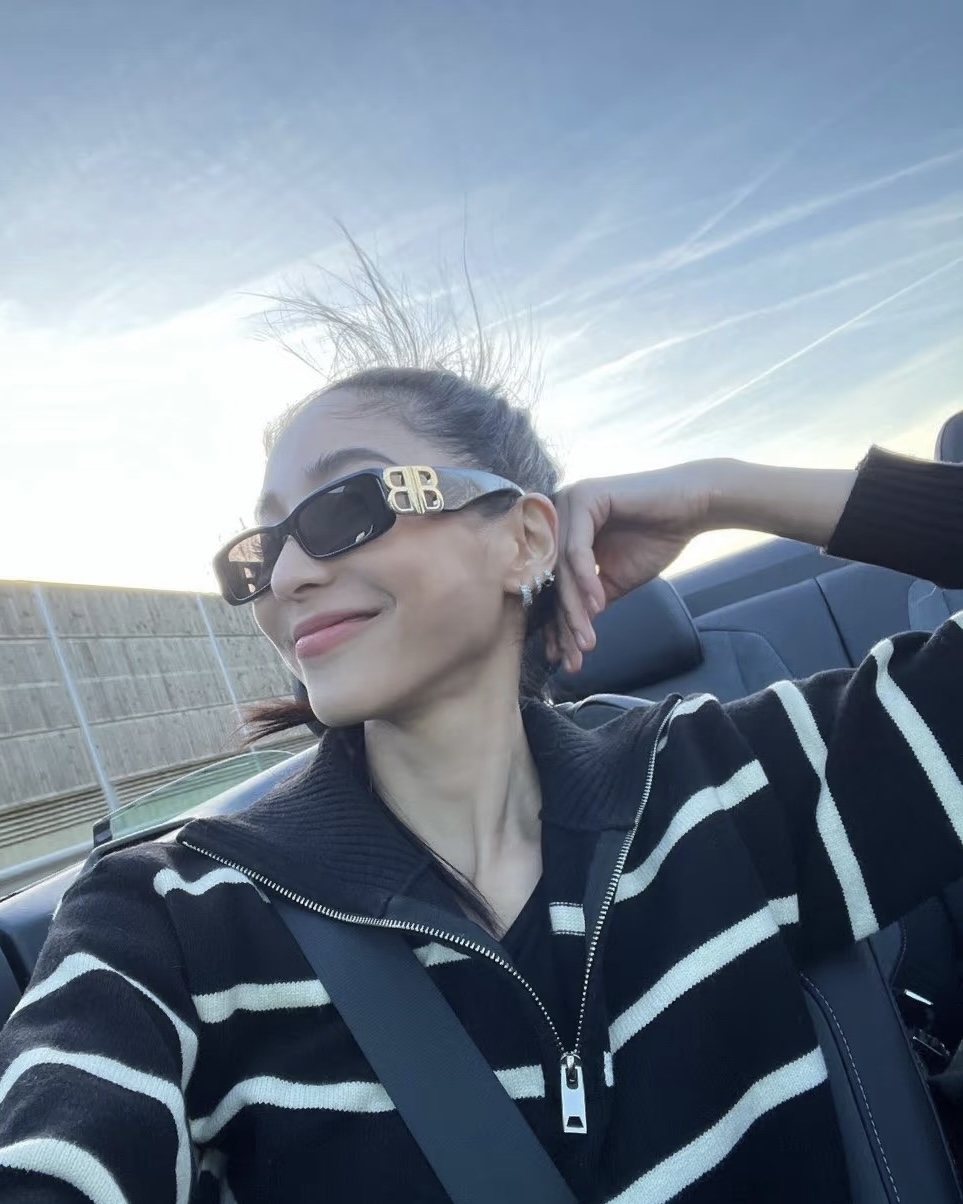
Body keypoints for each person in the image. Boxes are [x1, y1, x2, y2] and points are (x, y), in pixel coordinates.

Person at [2, 265, 963, 1204]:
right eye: (262, 549)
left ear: (524, 539)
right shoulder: (169, 919)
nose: (286, 578)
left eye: (346, 507)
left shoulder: (727, 782)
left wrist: (718, 490)